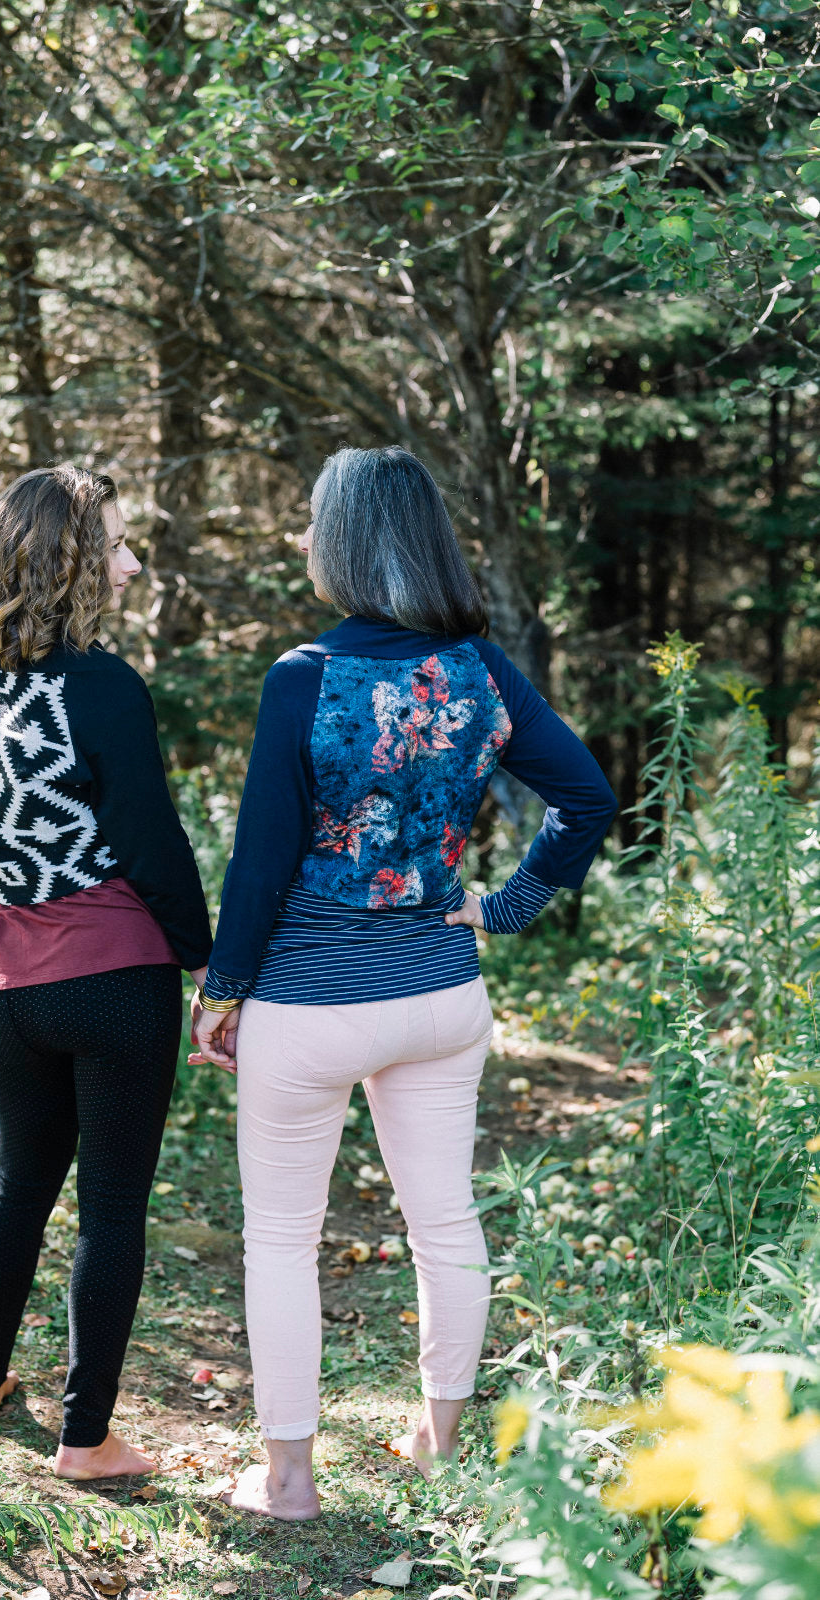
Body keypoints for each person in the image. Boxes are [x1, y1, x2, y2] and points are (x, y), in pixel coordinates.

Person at [193, 446, 617, 1519]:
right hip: (440, 993)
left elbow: (262, 855)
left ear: (343, 542)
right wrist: (507, 905)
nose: (297, 539)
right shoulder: (475, 668)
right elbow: (588, 797)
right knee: (445, 1223)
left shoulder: (306, 677)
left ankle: (288, 1482)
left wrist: (224, 985)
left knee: (284, 1236)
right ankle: (439, 1446)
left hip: (313, 999)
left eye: (308, 522)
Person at [0, 464, 212, 1480]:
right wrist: (210, 960)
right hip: (115, 974)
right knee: (110, 1205)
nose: (132, 562)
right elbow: (148, 841)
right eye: (117, 545)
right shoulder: (99, 685)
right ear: (73, 562)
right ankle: (85, 1438)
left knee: (18, 1182)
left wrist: (3, 947)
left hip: (13, 980)